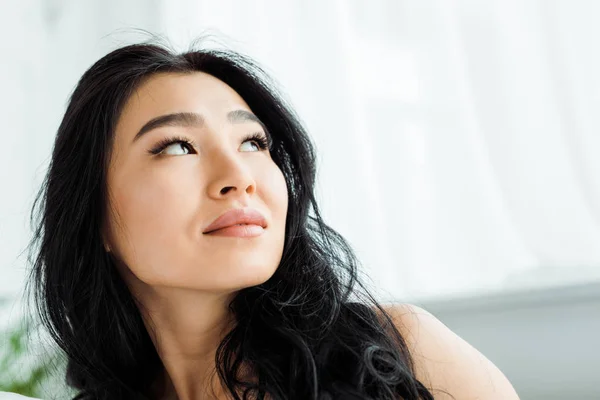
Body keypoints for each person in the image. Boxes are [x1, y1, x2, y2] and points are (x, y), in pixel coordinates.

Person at [24, 38, 520, 400]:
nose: (239, 176)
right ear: (93, 213)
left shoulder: (399, 351)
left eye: (254, 143)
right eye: (178, 146)